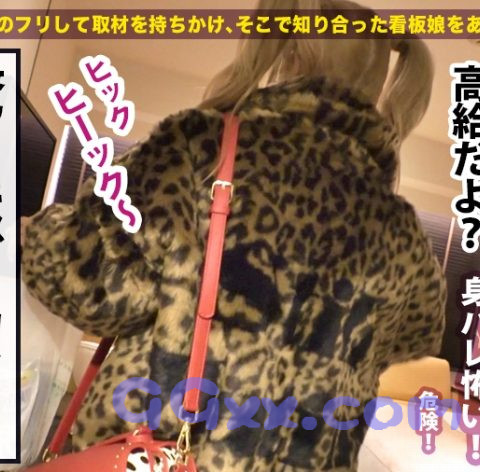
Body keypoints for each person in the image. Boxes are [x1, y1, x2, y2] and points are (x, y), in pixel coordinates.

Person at [22, 0, 446, 470]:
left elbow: (89, 285)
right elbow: (418, 334)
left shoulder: (200, 150)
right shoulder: (402, 231)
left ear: (290, 53)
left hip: (169, 452)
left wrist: (37, 233)